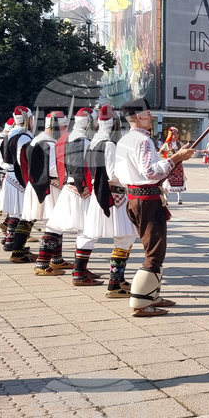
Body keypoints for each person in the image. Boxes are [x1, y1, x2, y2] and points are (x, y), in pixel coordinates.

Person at [116, 97, 193, 317]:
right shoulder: (143, 141)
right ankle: (140, 303)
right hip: (147, 200)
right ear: (138, 116)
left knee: (153, 248)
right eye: (148, 113)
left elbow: (119, 174)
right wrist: (176, 158)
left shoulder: (124, 140)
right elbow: (150, 173)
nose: (151, 116)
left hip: (135, 198)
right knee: (155, 253)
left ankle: (152, 294)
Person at [81, 104, 139, 295]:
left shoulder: (94, 142)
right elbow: (113, 173)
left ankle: (118, 280)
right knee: (125, 237)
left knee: (121, 237)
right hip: (115, 196)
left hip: (101, 194)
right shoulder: (109, 144)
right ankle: (114, 283)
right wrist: (132, 179)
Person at [38, 109, 93, 276]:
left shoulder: (64, 137)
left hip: (66, 185)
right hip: (79, 187)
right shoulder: (82, 140)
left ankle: (42, 264)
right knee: (86, 230)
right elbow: (81, 167)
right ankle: (79, 273)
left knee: (54, 226)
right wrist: (84, 187)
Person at [21, 112, 67, 257]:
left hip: (40, 184)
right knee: (54, 225)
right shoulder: (49, 143)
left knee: (53, 224)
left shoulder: (37, 139)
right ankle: (44, 261)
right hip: (49, 187)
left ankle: (56, 259)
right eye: (64, 127)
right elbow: (53, 169)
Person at [0, 107, 35, 262]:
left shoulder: (9, 134)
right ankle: (16, 246)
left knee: (15, 211)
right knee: (24, 213)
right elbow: (24, 159)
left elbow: (1, 158)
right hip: (20, 176)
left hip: (10, 175)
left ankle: (10, 241)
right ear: (28, 118)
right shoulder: (24, 136)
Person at [159, 127, 188, 205]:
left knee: (180, 181)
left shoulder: (180, 144)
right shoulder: (166, 144)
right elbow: (161, 152)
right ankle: (166, 199)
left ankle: (179, 199)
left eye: (176, 134)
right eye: (174, 134)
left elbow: (185, 150)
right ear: (170, 135)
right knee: (167, 181)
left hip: (179, 165)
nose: (175, 136)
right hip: (170, 164)